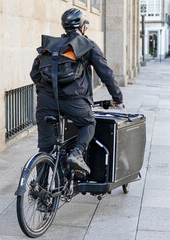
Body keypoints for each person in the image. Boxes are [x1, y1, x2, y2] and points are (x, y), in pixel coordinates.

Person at [30, 8, 123, 174]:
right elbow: (106, 73)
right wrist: (117, 97)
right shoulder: (87, 45)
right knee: (88, 123)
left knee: (45, 149)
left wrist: (44, 93)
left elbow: (35, 73)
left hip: (46, 102)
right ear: (82, 27)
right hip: (74, 101)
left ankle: (41, 189)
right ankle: (77, 153)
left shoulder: (52, 45)